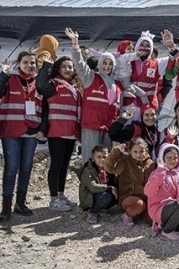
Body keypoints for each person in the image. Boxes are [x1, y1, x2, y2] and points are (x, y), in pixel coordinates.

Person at [0, 52, 41, 221]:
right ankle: (5, 208)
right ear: (19, 64)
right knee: (11, 168)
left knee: (26, 167)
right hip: (11, 131)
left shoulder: (38, 82)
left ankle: (20, 203)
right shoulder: (10, 78)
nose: (29, 65)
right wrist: (4, 73)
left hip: (30, 131)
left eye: (32, 63)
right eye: (25, 62)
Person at [66, 28, 122, 162]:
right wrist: (75, 45)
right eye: (105, 63)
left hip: (108, 127)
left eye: (110, 64)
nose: (107, 67)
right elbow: (79, 64)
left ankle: (103, 182)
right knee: (90, 160)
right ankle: (87, 182)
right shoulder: (91, 77)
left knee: (105, 161)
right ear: (100, 63)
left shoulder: (118, 85)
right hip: (91, 125)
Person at [36, 55, 82, 212]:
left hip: (70, 132)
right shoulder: (53, 85)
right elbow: (40, 84)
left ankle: (61, 195)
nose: (68, 70)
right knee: (55, 165)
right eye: (64, 67)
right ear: (57, 69)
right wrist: (47, 64)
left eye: (70, 67)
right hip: (56, 131)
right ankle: (53, 199)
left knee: (64, 165)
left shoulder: (74, 88)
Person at [145, 143, 179, 240]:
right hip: (159, 208)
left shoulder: (178, 175)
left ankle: (163, 225)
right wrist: (160, 172)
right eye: (169, 157)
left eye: (175, 157)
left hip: (174, 208)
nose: (173, 160)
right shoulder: (156, 173)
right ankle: (167, 231)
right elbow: (148, 192)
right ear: (162, 158)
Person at [104, 138, 156, 226]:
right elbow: (109, 167)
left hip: (145, 197)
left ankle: (138, 213)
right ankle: (127, 215)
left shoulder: (150, 163)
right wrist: (116, 153)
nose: (138, 155)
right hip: (128, 196)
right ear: (130, 151)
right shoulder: (125, 162)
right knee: (139, 205)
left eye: (141, 151)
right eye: (135, 152)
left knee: (151, 220)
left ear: (145, 151)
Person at [72, 145, 118, 225]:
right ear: (93, 158)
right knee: (106, 196)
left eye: (104, 157)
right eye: (99, 157)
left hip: (103, 193)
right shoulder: (88, 170)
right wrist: (109, 188)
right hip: (91, 198)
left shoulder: (108, 168)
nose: (102, 160)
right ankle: (92, 212)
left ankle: (103, 207)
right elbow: (92, 187)